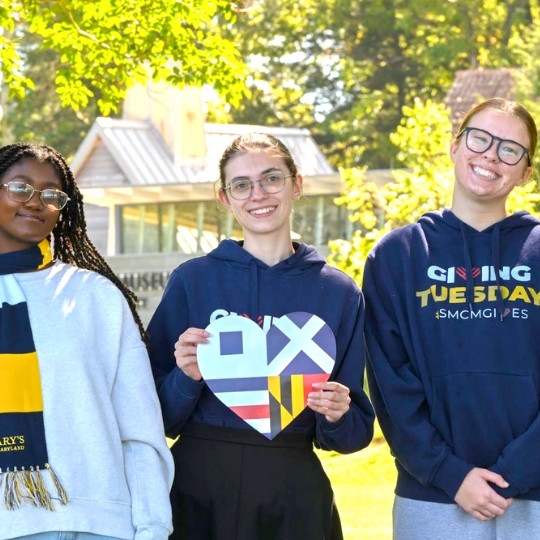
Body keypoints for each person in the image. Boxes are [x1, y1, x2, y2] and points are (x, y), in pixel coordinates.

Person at [147, 132, 374, 540]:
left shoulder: (339, 293)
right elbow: (154, 416)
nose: (258, 194)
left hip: (292, 493)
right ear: (224, 197)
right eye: (241, 184)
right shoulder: (192, 281)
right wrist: (185, 377)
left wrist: (336, 413)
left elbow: (353, 432)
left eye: (272, 178)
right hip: (196, 490)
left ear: (296, 184)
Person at [363, 98, 540, 539]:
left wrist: (518, 470)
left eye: (510, 149)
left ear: (526, 172)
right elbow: (390, 381)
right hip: (434, 496)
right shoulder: (397, 256)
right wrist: (450, 473)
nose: (491, 156)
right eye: (480, 139)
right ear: (455, 146)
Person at [0, 143, 174, 540]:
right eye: (21, 187)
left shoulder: (94, 296)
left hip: (95, 524)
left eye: (50, 194)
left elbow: (140, 426)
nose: (36, 202)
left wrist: (151, 527)